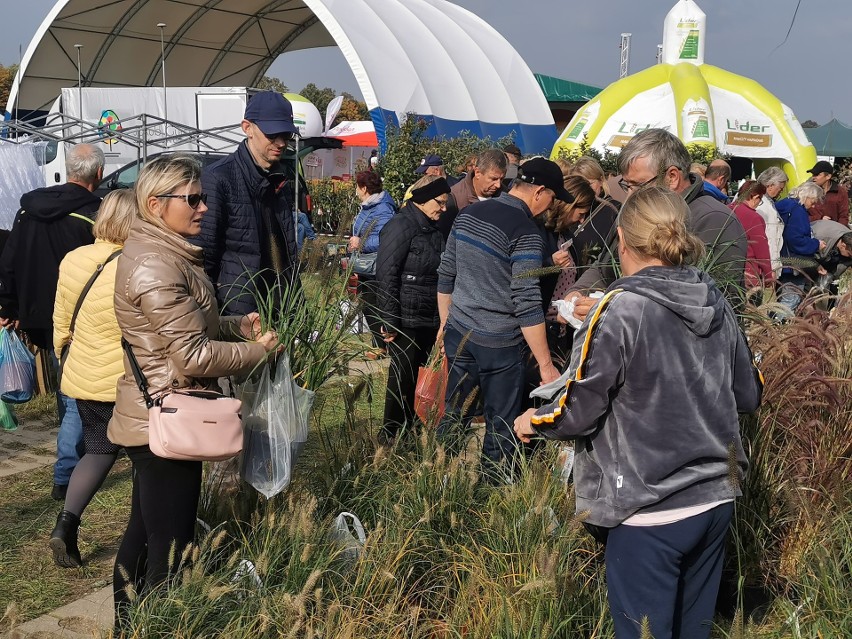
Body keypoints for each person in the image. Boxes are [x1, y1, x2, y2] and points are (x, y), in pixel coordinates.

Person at [514, 186, 763, 639]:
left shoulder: (619, 309)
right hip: (716, 495)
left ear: (623, 241)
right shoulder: (715, 301)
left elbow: (576, 411)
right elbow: (749, 393)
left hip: (647, 505)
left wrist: (534, 418)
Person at [108, 155, 279, 629]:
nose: (204, 207)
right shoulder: (155, 267)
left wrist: (235, 325)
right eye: (193, 199)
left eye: (202, 196)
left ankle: (130, 623)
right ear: (155, 204)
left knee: (146, 531)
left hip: (156, 412)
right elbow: (192, 357)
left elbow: (186, 331)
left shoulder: (166, 255)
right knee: (172, 536)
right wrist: (257, 352)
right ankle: (158, 622)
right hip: (163, 416)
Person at [436, 158, 572, 483]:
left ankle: (435, 483)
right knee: (500, 428)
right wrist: (546, 365)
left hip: (460, 334)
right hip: (499, 345)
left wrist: (446, 326)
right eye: (553, 198)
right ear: (539, 191)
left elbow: (446, 275)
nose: (551, 207)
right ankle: (488, 503)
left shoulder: (468, 214)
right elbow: (526, 304)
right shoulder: (525, 232)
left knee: (454, 416)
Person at [0, 143, 105, 501]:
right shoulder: (95, 213)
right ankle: (66, 476)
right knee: (75, 394)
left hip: (36, 315)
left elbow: (8, 261)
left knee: (67, 387)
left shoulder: (28, 210)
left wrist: (10, 305)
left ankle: (73, 458)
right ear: (99, 175)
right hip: (79, 316)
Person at [562, 129, 747, 323]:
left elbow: (713, 304)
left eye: (637, 185)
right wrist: (576, 293)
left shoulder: (714, 220)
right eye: (627, 185)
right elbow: (604, 264)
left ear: (672, 177)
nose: (630, 196)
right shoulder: (634, 211)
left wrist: (614, 307)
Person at [49, 190, 135, 568]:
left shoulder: (73, 259)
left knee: (98, 450)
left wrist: (63, 355)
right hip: (130, 379)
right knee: (147, 462)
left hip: (85, 375)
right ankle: (144, 535)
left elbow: (61, 320)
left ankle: (66, 524)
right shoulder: (138, 263)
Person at [197, 91, 300, 316]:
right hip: (239, 317)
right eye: (273, 134)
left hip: (282, 312)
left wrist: (296, 306)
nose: (281, 143)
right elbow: (204, 258)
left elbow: (286, 254)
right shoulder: (218, 179)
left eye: (287, 135)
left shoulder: (279, 179)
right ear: (247, 128)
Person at [374, 176, 451, 443]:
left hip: (426, 316)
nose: (443, 208)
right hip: (404, 318)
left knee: (418, 377)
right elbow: (386, 273)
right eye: (439, 202)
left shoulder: (433, 228)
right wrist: (390, 318)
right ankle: (389, 432)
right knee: (401, 376)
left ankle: (410, 429)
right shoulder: (401, 225)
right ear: (422, 198)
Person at [538, 176, 597, 364]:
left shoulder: (567, 235)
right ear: (568, 206)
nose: (581, 220)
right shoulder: (537, 232)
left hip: (562, 329)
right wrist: (549, 264)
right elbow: (521, 275)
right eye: (580, 213)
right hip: (541, 329)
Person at [350, 169, 396, 350]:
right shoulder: (368, 206)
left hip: (375, 265)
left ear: (364, 188)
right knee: (367, 304)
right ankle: (378, 342)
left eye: (357, 186)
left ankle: (381, 344)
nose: (355, 191)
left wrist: (361, 243)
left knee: (374, 304)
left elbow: (385, 237)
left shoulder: (383, 209)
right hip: (364, 264)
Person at [776, 182, 826, 313]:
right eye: (813, 201)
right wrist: (816, 244)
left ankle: (773, 326)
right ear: (807, 196)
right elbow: (795, 239)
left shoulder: (785, 204)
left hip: (783, 258)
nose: (813, 206)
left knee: (785, 299)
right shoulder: (797, 210)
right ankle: (775, 327)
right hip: (793, 260)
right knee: (791, 299)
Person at [438, 148, 507, 239]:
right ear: (477, 172)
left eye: (501, 179)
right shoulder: (454, 199)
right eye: (493, 179)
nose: (498, 185)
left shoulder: (507, 195)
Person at [567, 156, 621, 266]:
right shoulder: (568, 208)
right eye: (580, 185)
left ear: (601, 181)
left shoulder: (614, 209)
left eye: (589, 184)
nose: (585, 189)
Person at [729, 180, 773, 288]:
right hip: (748, 271)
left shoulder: (726, 209)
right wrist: (768, 275)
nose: (759, 204)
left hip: (727, 269)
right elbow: (761, 250)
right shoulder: (754, 217)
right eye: (760, 200)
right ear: (755, 196)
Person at [755, 167, 788, 277]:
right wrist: (773, 268)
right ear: (770, 185)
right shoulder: (762, 205)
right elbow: (770, 238)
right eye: (780, 188)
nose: (781, 191)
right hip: (763, 266)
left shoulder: (765, 202)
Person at [806, 160, 849, 226]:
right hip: (812, 230)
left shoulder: (840, 192)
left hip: (835, 232)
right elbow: (801, 215)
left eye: (817, 174)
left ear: (828, 176)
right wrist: (819, 219)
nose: (813, 177)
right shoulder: (807, 191)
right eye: (813, 174)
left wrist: (839, 232)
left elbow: (843, 216)